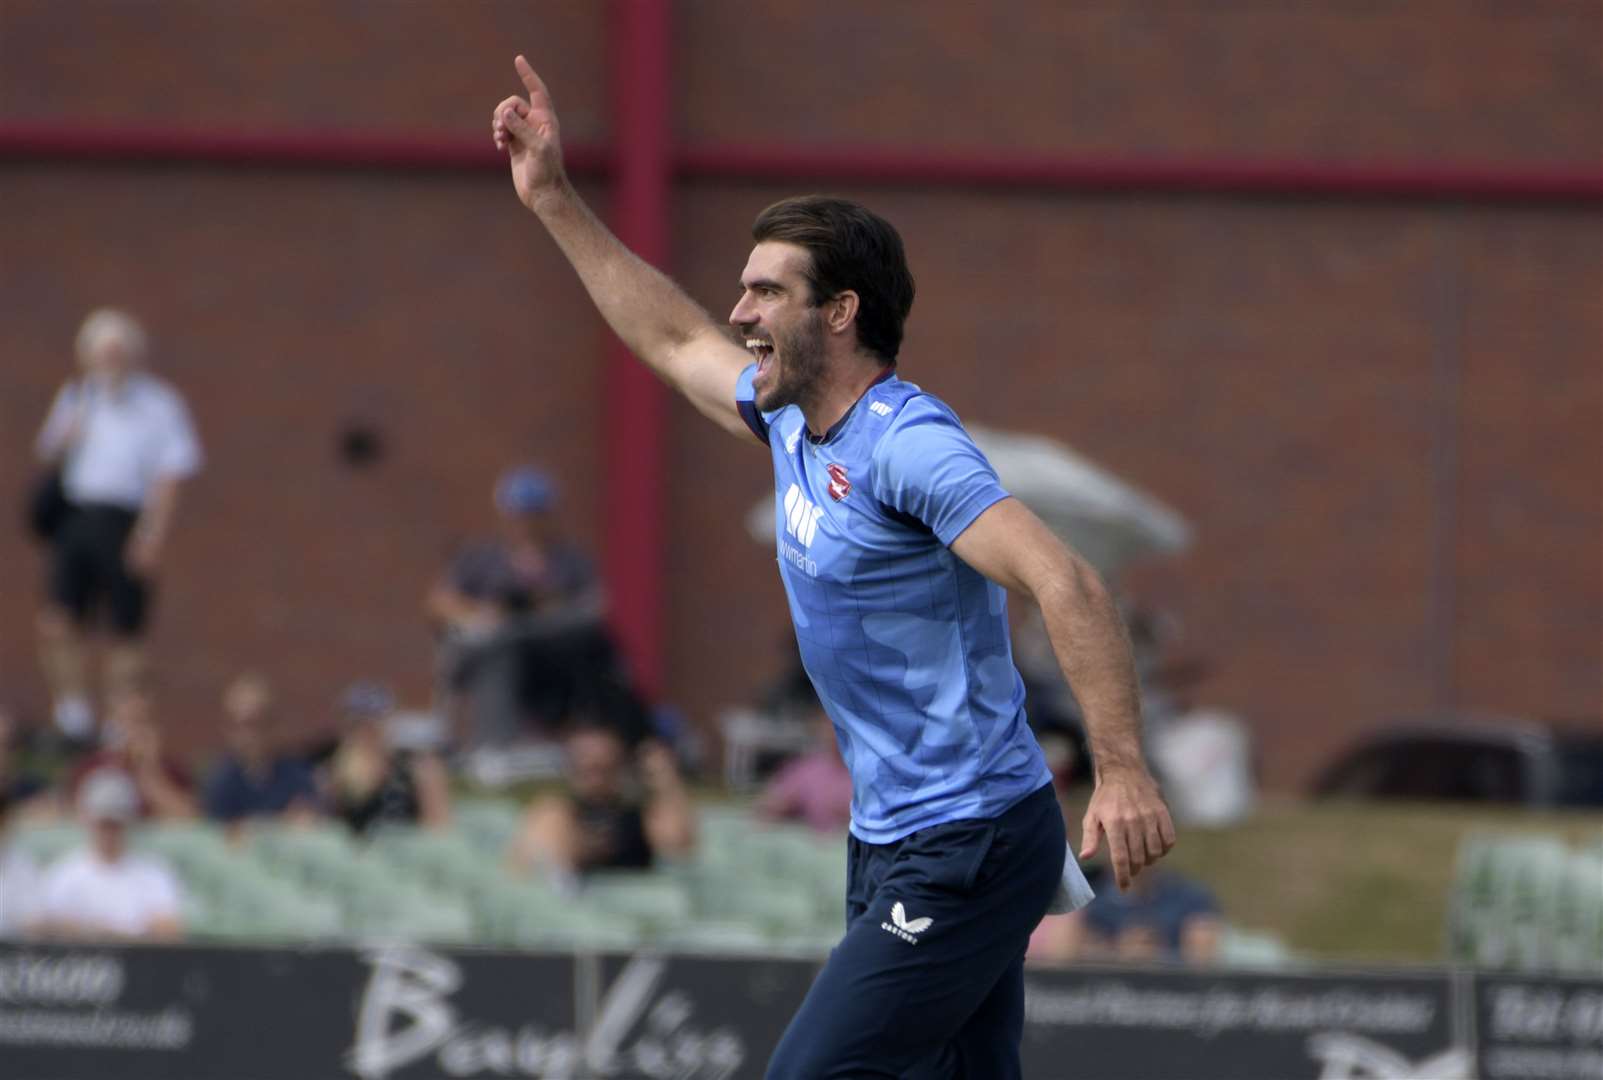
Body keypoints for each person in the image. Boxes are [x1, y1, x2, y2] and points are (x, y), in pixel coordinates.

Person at [493, 56, 1176, 1079]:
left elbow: (1066, 581)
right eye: (745, 288)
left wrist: (1120, 771)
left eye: (767, 291)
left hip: (969, 837)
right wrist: (553, 199)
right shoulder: (790, 424)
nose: (740, 311)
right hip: (895, 838)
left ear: (841, 313)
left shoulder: (908, 446)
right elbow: (673, 335)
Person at [33, 308, 202, 743]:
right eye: (102, 352)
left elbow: (171, 475)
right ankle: (73, 711)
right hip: (77, 515)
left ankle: (118, 721)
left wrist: (151, 535)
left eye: (117, 351)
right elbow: (49, 453)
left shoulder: (159, 404)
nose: (110, 360)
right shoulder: (77, 397)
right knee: (58, 619)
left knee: (125, 628)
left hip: (125, 518)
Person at [428, 465, 640, 750]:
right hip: (491, 646)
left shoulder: (570, 560)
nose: (526, 523)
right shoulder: (482, 558)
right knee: (502, 646)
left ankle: (594, 740)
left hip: (550, 649)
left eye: (534, 515)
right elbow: (439, 602)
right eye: (519, 515)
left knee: (600, 655)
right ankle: (496, 747)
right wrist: (481, 613)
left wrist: (546, 606)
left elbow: (595, 607)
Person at [507, 725, 695, 886]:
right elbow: (524, 867)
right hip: (576, 895)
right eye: (586, 769)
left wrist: (666, 781)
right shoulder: (556, 813)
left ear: (619, 768)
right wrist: (583, 848)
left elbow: (679, 845)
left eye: (604, 769)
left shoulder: (637, 817)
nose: (595, 779)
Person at [31, 768, 184, 941]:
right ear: (87, 819)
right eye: (103, 824)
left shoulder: (153, 873)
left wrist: (114, 934)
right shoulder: (64, 873)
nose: (109, 832)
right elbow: (42, 925)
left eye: (115, 824)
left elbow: (169, 929)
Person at [313, 682, 451, 836]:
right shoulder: (330, 766)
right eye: (358, 724)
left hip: (405, 847)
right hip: (358, 850)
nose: (366, 732)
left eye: (373, 722)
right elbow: (326, 820)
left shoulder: (414, 765)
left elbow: (439, 825)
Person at [203, 673, 320, 834]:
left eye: (254, 723)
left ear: (273, 725)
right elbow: (219, 834)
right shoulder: (221, 778)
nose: (245, 735)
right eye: (235, 725)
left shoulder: (296, 773)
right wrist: (278, 824)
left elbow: (309, 820)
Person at [68, 685, 197, 821]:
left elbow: (188, 817)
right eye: (126, 721)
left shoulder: (173, 770)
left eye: (140, 722)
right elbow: (70, 816)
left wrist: (149, 772)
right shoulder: (90, 768)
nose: (132, 731)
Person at [755, 689, 853, 834]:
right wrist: (781, 809)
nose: (834, 733)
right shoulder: (806, 770)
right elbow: (769, 807)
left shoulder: (873, 772)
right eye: (829, 724)